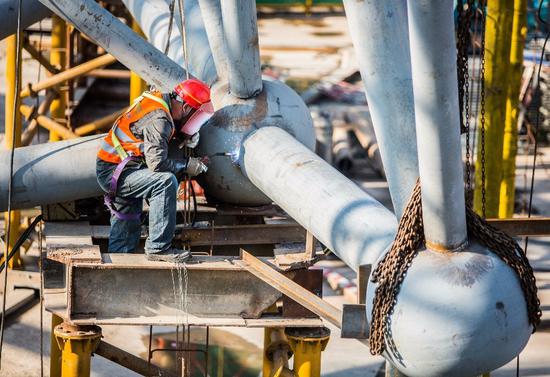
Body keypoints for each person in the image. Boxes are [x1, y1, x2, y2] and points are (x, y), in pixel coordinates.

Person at [96, 79, 214, 262]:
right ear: (186, 108)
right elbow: (157, 164)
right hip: (116, 171)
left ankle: (118, 265)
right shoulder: (160, 119)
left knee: (127, 218)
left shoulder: (160, 100)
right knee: (165, 182)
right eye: (195, 116)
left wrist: (185, 135)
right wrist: (187, 165)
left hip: (121, 165)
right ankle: (158, 248)